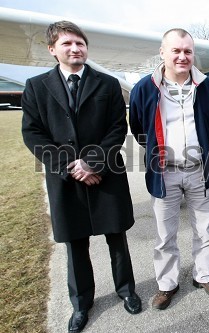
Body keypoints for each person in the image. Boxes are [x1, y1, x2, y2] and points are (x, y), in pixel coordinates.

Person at [21, 21, 141, 333]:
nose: (76, 49)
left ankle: (126, 290)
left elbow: (117, 127)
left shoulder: (107, 84)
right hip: (65, 179)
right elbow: (33, 133)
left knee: (116, 236)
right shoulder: (36, 87)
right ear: (53, 50)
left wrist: (92, 163)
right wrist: (71, 166)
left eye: (80, 43)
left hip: (105, 175)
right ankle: (81, 303)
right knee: (75, 243)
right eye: (67, 44)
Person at [129, 28, 209, 310]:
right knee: (164, 234)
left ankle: (204, 275)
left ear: (193, 54)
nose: (182, 56)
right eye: (176, 50)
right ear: (163, 52)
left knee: (205, 229)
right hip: (164, 172)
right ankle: (167, 284)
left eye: (187, 51)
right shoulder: (144, 88)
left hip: (199, 169)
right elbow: (138, 127)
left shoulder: (208, 87)